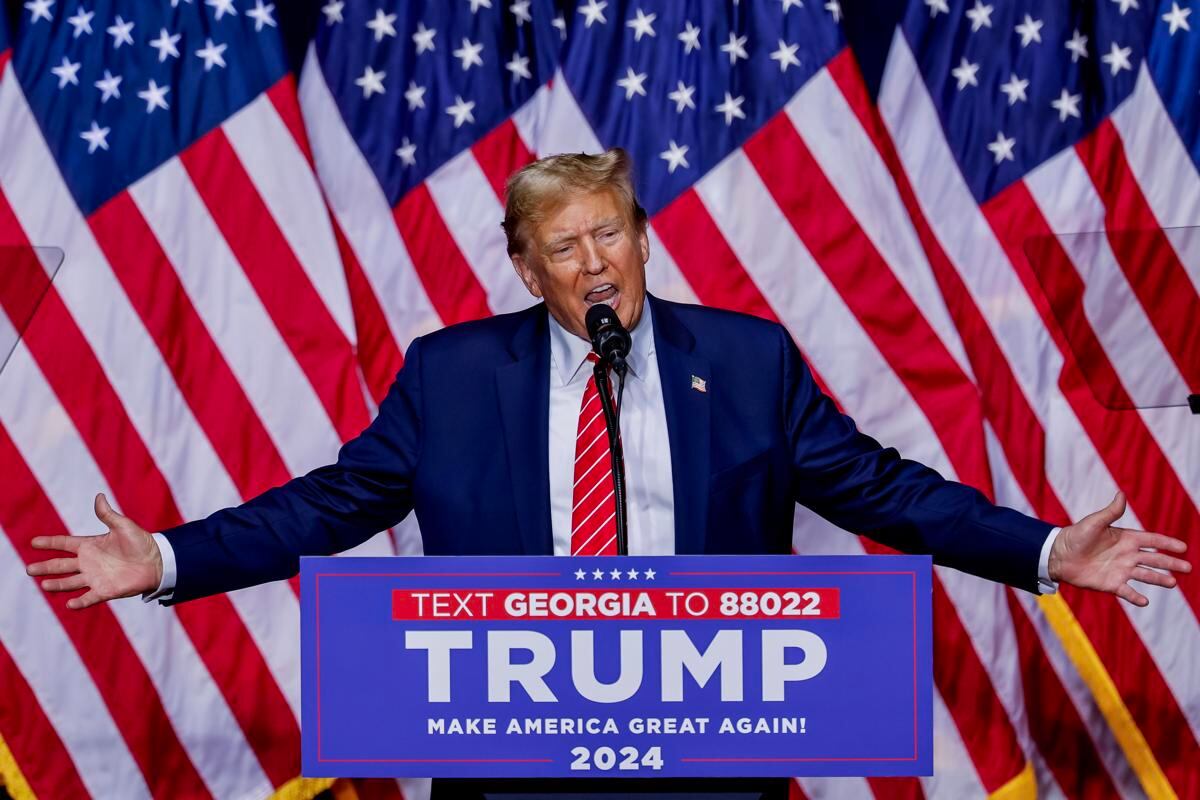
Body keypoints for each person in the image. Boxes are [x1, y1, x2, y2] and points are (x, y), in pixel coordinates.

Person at [27, 149, 1191, 797]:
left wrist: (1045, 549)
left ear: (643, 236)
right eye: (567, 244)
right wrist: (170, 554)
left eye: (613, 232)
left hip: (710, 760)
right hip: (512, 762)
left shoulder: (743, 358)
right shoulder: (451, 374)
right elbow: (333, 502)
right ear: (529, 268)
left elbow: (882, 487)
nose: (598, 261)